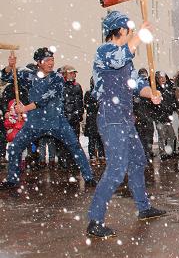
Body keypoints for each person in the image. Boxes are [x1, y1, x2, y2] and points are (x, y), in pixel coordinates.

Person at [87, 10, 165, 239]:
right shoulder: (105, 51)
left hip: (125, 120)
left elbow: (135, 83)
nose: (130, 32)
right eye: (128, 29)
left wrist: (151, 93)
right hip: (111, 119)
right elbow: (119, 57)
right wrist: (140, 35)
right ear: (120, 30)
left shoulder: (126, 57)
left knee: (138, 161)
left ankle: (143, 207)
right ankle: (95, 219)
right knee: (116, 170)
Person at [0, 47, 95, 190]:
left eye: (52, 60)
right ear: (38, 62)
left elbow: (47, 98)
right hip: (34, 123)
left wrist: (25, 108)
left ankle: (89, 178)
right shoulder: (29, 76)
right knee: (14, 147)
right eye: (47, 60)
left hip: (56, 121)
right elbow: (6, 77)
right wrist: (10, 66)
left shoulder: (57, 78)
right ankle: (12, 179)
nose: (51, 63)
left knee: (75, 146)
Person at [59, 65, 84, 168]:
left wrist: (80, 114)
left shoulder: (77, 86)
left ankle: (74, 162)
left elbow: (80, 102)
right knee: (64, 142)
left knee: (75, 141)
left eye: (74, 73)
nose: (73, 75)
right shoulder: (60, 86)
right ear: (64, 74)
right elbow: (60, 103)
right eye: (70, 73)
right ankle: (63, 163)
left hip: (75, 119)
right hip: (64, 120)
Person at [152, 71, 177, 160]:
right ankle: (163, 152)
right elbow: (154, 104)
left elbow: (173, 100)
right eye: (160, 78)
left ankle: (170, 151)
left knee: (171, 135)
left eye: (163, 77)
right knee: (161, 136)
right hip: (159, 116)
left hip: (168, 116)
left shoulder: (169, 88)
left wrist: (173, 106)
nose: (162, 79)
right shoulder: (155, 90)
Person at [133, 68, 155, 161]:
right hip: (143, 115)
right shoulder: (139, 86)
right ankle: (145, 153)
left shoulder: (148, 85)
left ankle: (146, 152)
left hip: (145, 115)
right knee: (145, 135)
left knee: (146, 135)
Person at [84, 77, 104, 162]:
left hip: (99, 118)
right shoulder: (89, 93)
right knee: (92, 138)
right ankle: (92, 156)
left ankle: (101, 155)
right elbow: (87, 105)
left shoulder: (102, 93)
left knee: (100, 138)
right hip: (92, 118)